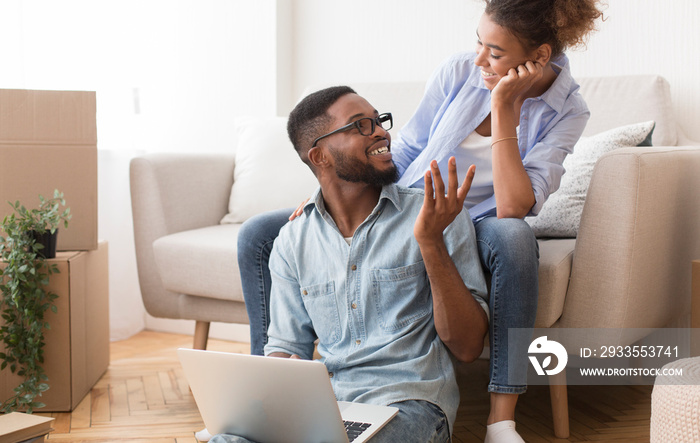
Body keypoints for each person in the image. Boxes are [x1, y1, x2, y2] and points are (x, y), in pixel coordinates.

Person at [238, 1, 604, 441]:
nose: (479, 60)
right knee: (261, 233)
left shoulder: (568, 110)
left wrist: (504, 105)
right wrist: (335, 193)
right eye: (478, 44)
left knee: (513, 237)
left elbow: (513, 206)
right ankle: (268, 389)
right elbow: (408, 147)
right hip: (414, 199)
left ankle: (501, 418)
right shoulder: (457, 72)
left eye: (495, 53)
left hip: (481, 218)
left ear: (539, 57)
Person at [213, 86, 488, 443]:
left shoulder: (437, 216)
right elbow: (286, 346)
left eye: (378, 121)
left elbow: (468, 348)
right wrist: (276, 389)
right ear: (320, 156)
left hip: (409, 406)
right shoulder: (292, 241)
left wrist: (431, 243)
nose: (381, 132)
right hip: (325, 407)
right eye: (360, 125)